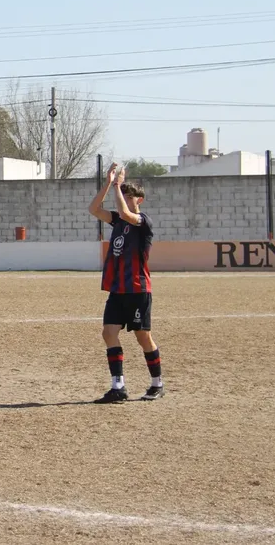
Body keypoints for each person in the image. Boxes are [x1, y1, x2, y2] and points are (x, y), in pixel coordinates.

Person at [88, 164, 162, 403]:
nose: (124, 200)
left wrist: (119, 186)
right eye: (124, 196)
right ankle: (118, 386)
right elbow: (94, 209)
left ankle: (157, 383)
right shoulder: (117, 222)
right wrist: (109, 182)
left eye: (130, 197)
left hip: (138, 289)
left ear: (139, 200)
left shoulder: (142, 221)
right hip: (118, 289)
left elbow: (127, 213)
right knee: (109, 333)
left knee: (143, 338)